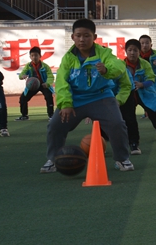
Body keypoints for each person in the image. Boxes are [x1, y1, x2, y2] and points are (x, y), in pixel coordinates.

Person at [39, 19, 134, 173]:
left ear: (94, 36)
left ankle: (122, 159)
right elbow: (62, 83)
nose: (82, 39)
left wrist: (106, 70)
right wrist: (66, 104)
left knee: (117, 124)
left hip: (101, 97)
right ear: (73, 37)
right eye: (78, 36)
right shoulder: (68, 59)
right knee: (55, 125)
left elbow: (118, 66)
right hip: (75, 100)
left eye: (86, 36)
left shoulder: (104, 53)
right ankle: (53, 159)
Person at [120, 38, 156, 153]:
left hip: (145, 93)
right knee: (129, 119)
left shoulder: (145, 64)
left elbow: (151, 78)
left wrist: (142, 84)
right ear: (126, 51)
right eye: (130, 50)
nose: (132, 53)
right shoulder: (120, 65)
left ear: (139, 52)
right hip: (127, 95)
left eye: (135, 50)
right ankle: (133, 142)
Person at [17, 46, 54, 121]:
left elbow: (51, 77)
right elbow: (21, 74)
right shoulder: (28, 66)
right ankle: (24, 115)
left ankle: (51, 116)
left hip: (44, 84)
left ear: (40, 56)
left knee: (49, 97)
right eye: (32, 55)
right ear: (30, 57)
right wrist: (22, 76)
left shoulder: (45, 66)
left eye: (36, 55)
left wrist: (47, 83)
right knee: (23, 98)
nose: (34, 57)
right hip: (33, 85)